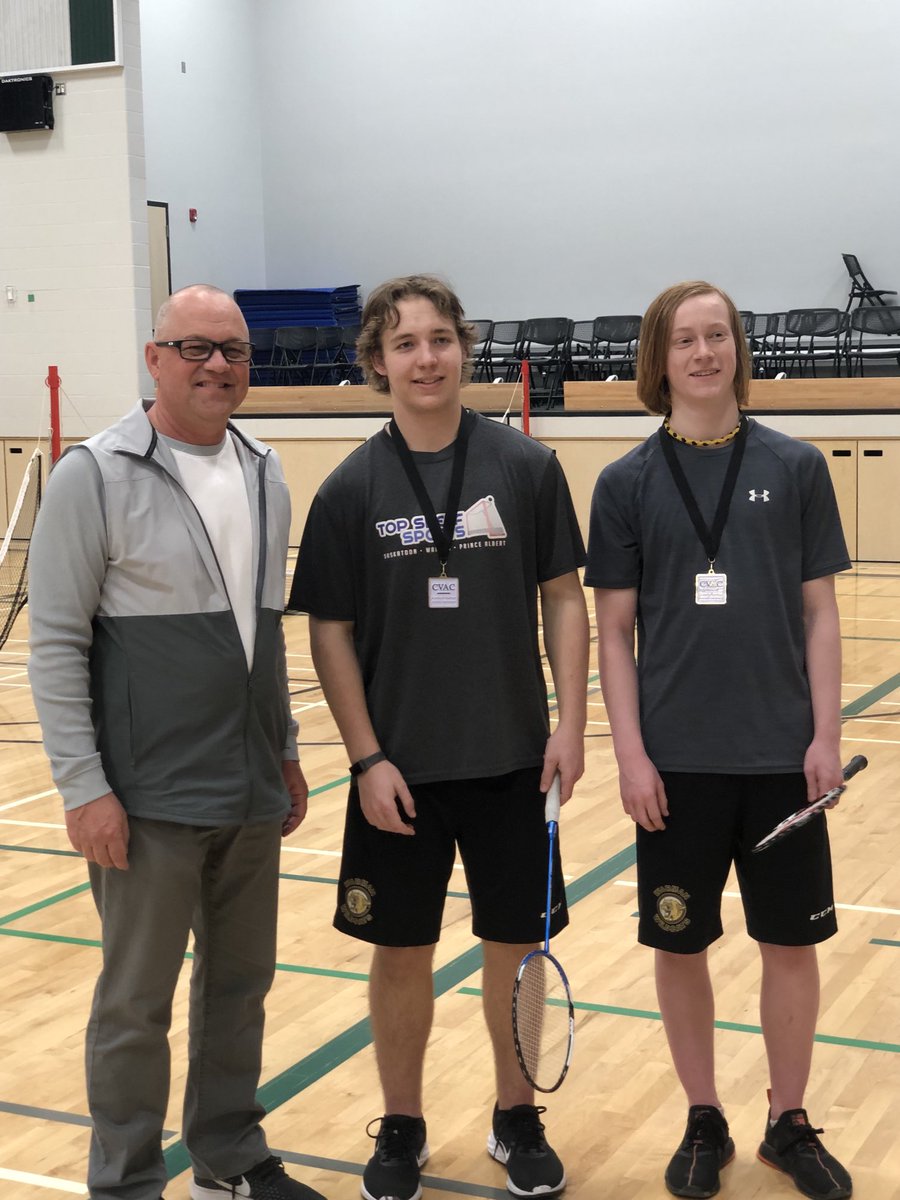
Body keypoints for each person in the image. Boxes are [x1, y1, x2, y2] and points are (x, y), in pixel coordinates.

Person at [289, 275, 589, 1200]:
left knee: (516, 950)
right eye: (406, 343)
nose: (427, 358)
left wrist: (573, 722)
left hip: (512, 760)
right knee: (401, 953)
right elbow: (328, 628)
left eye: (441, 339)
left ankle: (515, 1115)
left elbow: (564, 599)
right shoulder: (349, 488)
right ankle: (404, 1125)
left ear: (463, 349)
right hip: (399, 774)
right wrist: (366, 757)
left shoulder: (526, 468)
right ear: (377, 361)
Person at [28, 285, 328, 1200]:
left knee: (241, 987)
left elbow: (261, 629)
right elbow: (56, 640)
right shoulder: (96, 473)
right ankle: (124, 1179)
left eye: (233, 351)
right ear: (154, 358)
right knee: (135, 1005)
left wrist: (281, 748)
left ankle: (228, 1157)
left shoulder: (265, 468)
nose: (216, 366)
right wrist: (84, 787)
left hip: (244, 785)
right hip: (144, 794)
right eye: (193, 347)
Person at [585, 281, 853, 1200]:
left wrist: (825, 732)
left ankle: (788, 1119)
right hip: (676, 767)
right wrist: (629, 754)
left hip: (784, 760)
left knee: (790, 944)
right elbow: (612, 633)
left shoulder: (799, 465)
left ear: (738, 346)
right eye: (685, 340)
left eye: (719, 336)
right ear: (658, 360)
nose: (705, 353)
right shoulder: (624, 483)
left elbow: (820, 613)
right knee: (681, 946)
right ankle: (704, 1113)